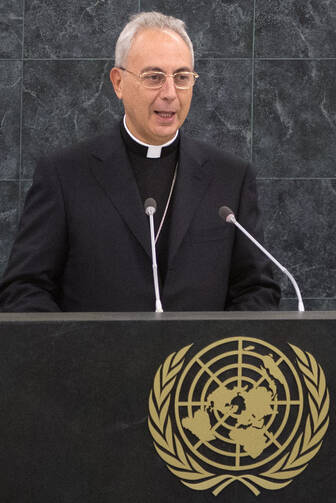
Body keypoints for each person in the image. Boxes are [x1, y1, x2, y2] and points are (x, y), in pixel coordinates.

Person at [0, 12, 280, 312]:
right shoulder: (65, 174)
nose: (170, 94)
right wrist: (74, 351)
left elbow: (256, 289)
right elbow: (24, 289)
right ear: (119, 82)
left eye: (182, 77)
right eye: (154, 77)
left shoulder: (230, 178)